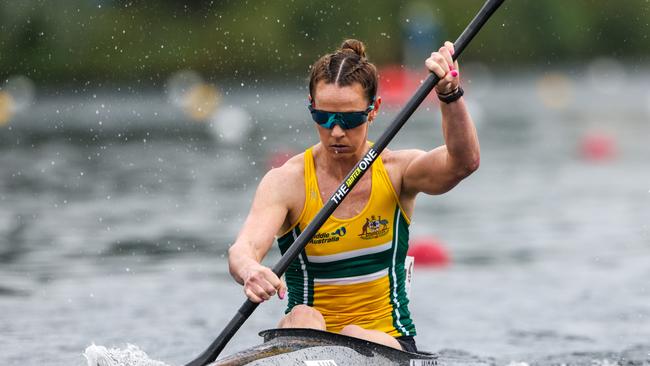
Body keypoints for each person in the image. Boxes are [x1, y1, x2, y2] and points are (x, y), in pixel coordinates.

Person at [228, 39, 479, 352]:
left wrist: (449, 94)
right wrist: (251, 270)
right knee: (303, 316)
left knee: (354, 334)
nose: (335, 131)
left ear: (372, 111)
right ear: (311, 107)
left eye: (348, 119)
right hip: (307, 339)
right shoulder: (286, 182)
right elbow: (244, 248)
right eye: (324, 117)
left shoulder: (397, 170)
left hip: (386, 342)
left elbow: (463, 163)